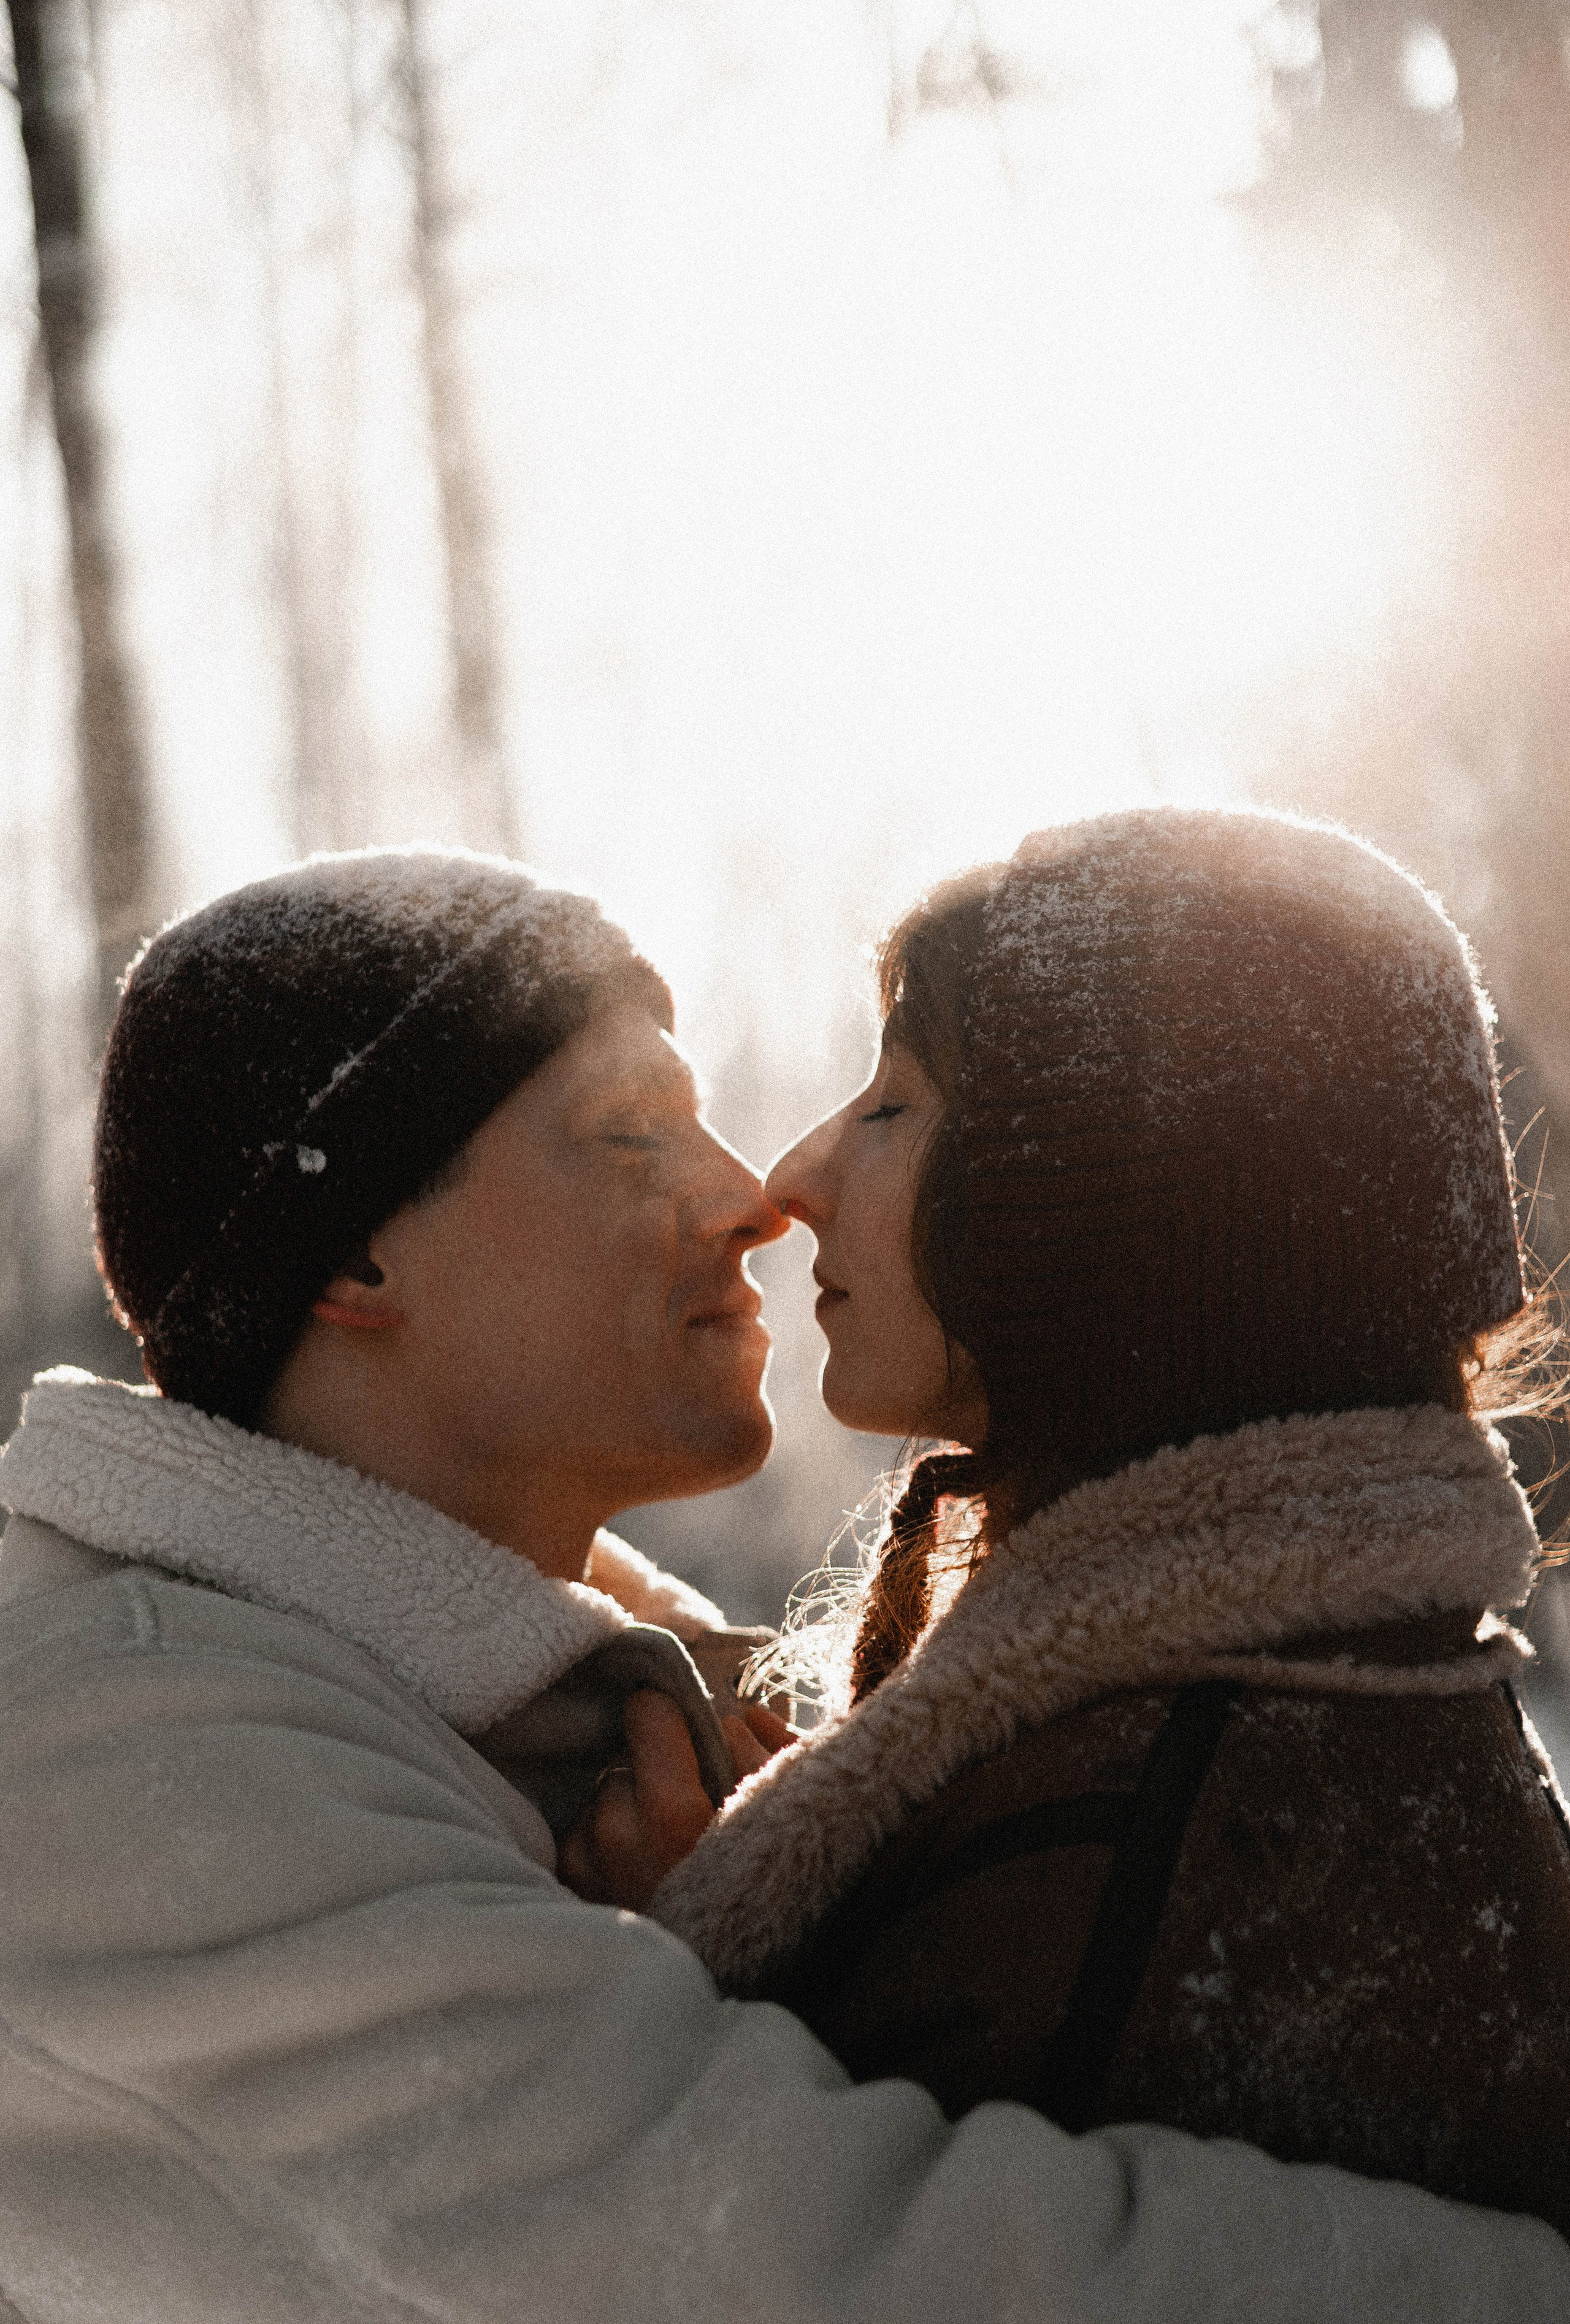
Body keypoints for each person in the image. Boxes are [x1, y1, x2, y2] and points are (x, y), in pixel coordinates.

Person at [0, 843, 1565, 2323]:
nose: (755, 1194)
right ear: (353, 1262)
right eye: (631, 1131)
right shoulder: (127, 1766)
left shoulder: (662, 1742)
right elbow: (818, 2278)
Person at [652, 808, 1570, 2241]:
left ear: (1102, 1228)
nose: (792, 1177)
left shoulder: (1131, 1850)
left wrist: (675, 1998)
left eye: (892, 1106)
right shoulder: (1353, 1712)